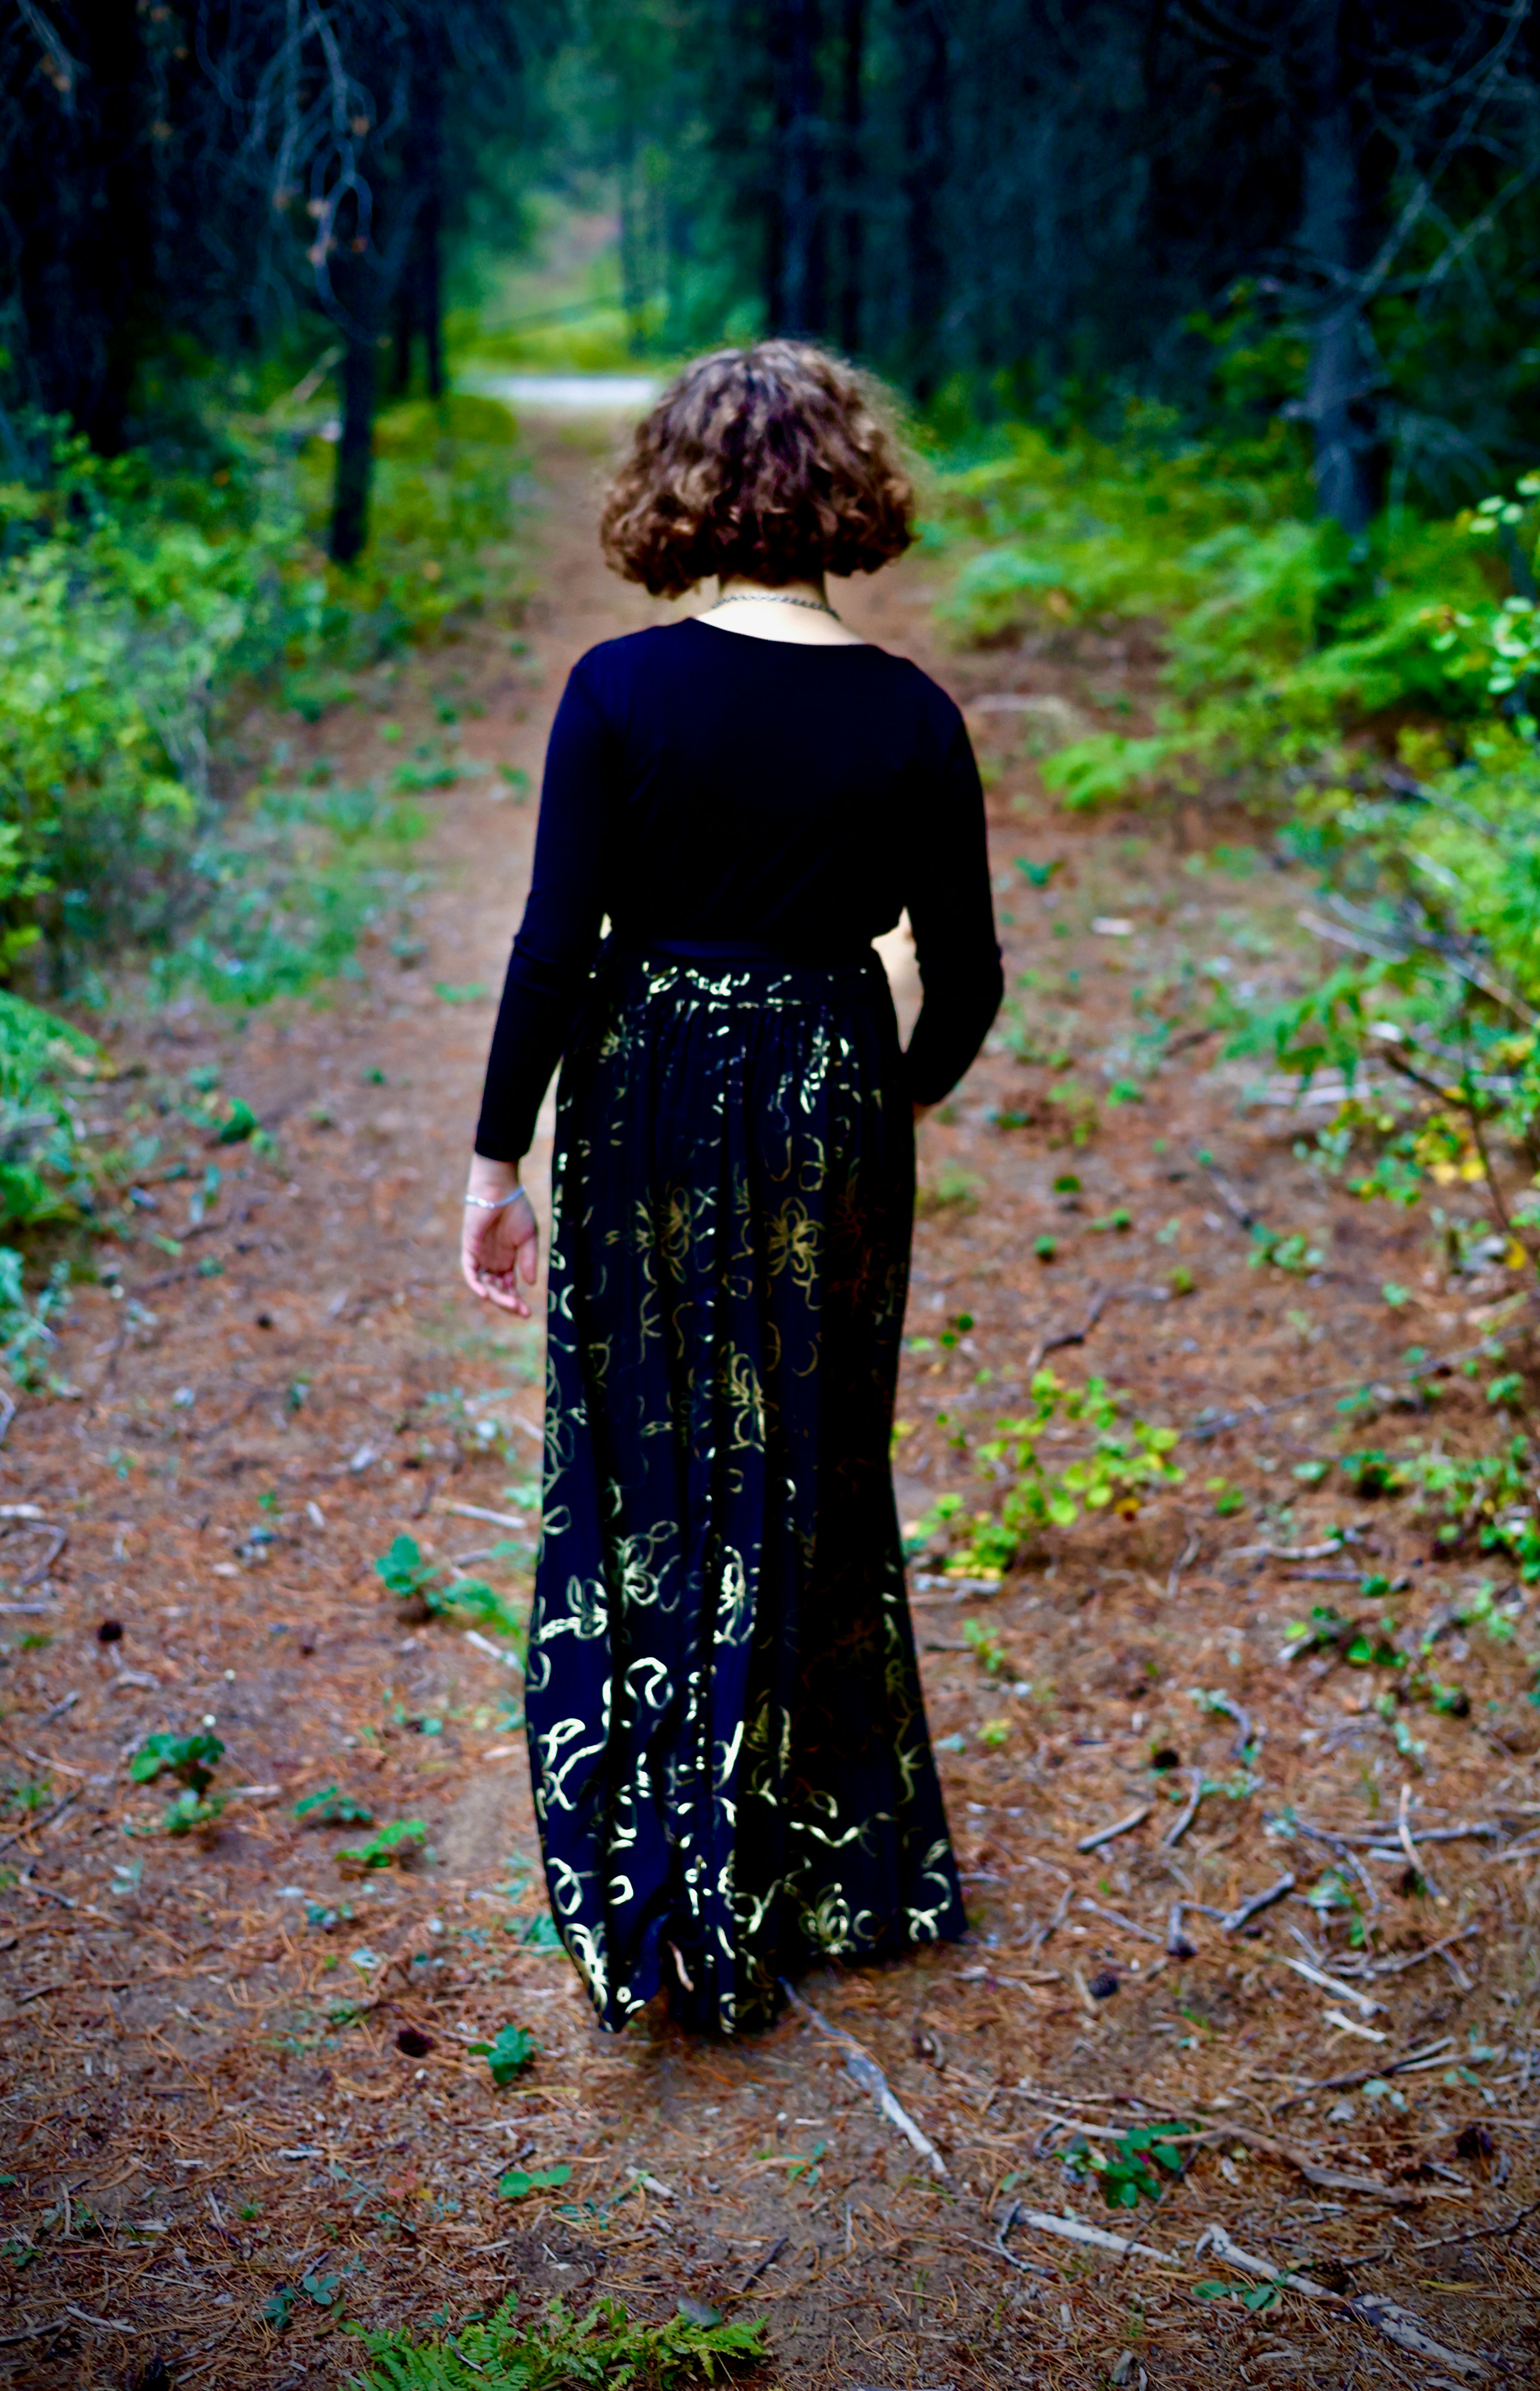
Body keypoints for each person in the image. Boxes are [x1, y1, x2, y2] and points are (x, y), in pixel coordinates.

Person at [460, 340, 1003, 2037]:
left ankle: (652, 1838)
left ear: (684, 488)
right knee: (816, 1452)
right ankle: (824, 1855)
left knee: (646, 1452)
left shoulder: (619, 693)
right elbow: (970, 982)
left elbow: (557, 949)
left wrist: (496, 1157)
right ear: (847, 490)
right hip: (833, 1081)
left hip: (646, 1091)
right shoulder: (913, 716)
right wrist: (870, 1099)